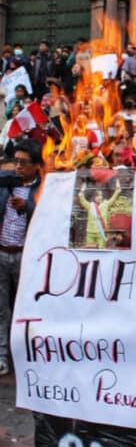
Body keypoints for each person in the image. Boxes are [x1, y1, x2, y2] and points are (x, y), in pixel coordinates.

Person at [0, 140, 42, 376]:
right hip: (2, 252)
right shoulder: (6, 183)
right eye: (16, 161)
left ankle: (28, 358)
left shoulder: (41, 188)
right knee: (1, 310)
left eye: (24, 163)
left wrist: (27, 206)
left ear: (36, 166)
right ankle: (2, 357)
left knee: (27, 309)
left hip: (26, 258)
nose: (18, 167)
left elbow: (47, 213)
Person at [78, 178, 122, 249]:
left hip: (101, 233)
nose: (99, 197)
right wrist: (82, 190)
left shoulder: (106, 204)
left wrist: (117, 189)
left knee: (101, 250)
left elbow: (113, 198)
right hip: (90, 232)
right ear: (94, 197)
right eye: (97, 196)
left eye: (101, 195)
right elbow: (82, 200)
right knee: (90, 250)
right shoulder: (90, 205)